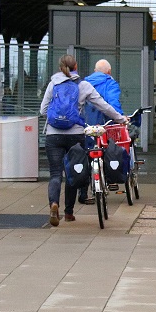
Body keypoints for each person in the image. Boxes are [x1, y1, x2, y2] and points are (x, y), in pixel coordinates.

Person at [39, 54, 127, 227]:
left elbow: (43, 110)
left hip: (53, 136)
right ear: (76, 66)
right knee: (74, 172)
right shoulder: (83, 85)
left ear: (60, 67)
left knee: (56, 174)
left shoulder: (53, 84)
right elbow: (103, 105)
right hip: (75, 135)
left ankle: (53, 204)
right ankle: (69, 213)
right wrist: (120, 119)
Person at [77, 59, 124, 205]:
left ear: (95, 70)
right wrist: (120, 118)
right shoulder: (110, 83)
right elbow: (113, 103)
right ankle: (109, 180)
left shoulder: (83, 83)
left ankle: (83, 193)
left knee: (85, 155)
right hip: (103, 125)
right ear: (109, 72)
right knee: (108, 150)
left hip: (83, 125)